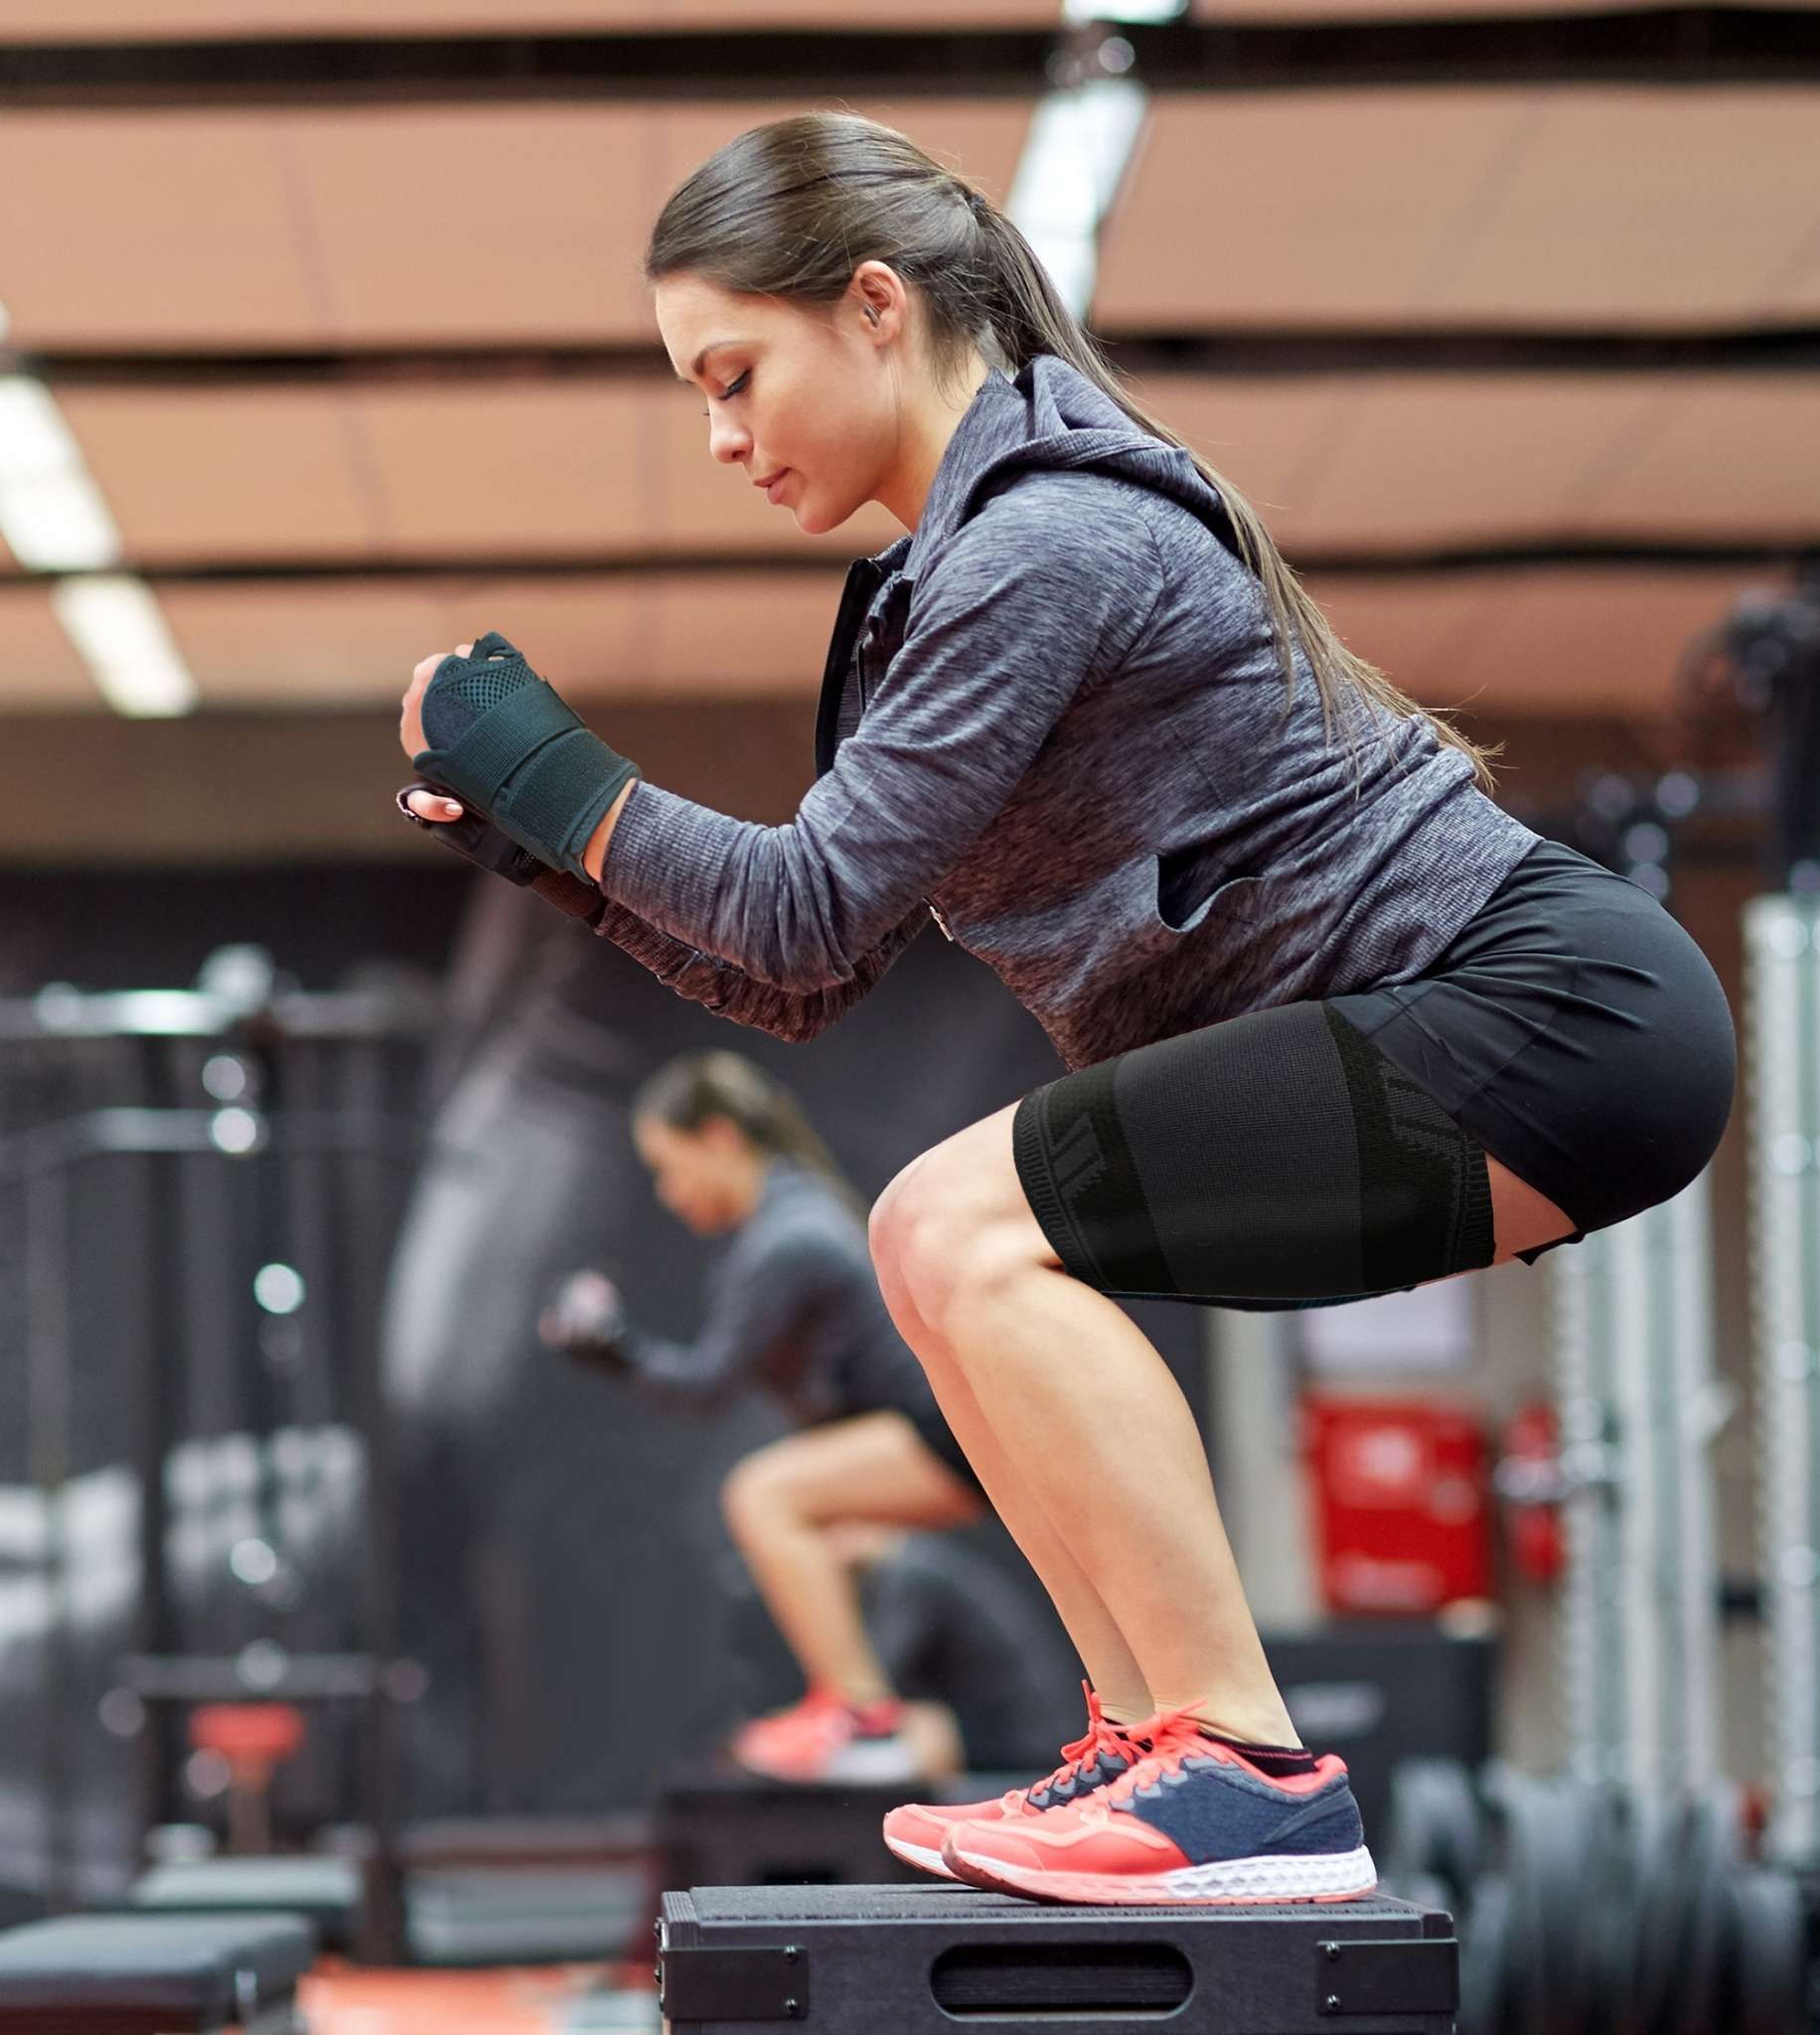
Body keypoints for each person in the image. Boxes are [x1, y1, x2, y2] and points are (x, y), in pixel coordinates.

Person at [394, 109, 1737, 1907]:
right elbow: (801, 974)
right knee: (932, 1242)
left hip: (1548, 1003)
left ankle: (1244, 1771)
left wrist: (561, 778)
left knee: (958, 1220)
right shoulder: (943, 576)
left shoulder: (1045, 539)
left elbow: (796, 902)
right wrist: (550, 858)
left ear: (874, 306)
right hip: (1497, 1026)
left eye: (734, 377)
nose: (719, 437)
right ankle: (1154, 1738)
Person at [537, 1048, 992, 1787]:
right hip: (932, 1434)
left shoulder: (786, 1240)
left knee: (763, 1495)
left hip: (943, 1437)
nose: (669, 1193)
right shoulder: (788, 1219)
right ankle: (861, 1717)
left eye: (670, 1166)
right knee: (815, 1541)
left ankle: (866, 1720)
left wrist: (612, 1347)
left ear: (718, 1137)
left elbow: (705, 1388)